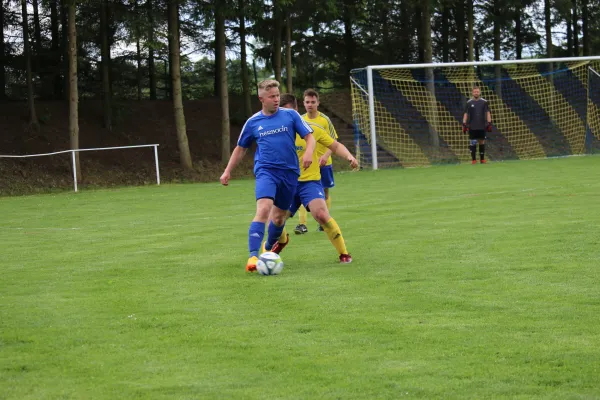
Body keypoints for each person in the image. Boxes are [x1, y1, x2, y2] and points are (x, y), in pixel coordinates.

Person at [220, 80, 316, 272]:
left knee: (279, 218)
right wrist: (228, 170)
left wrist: (308, 153)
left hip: (289, 173)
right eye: (272, 96)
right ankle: (253, 257)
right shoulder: (253, 122)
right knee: (264, 209)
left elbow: (309, 137)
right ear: (261, 98)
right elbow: (241, 148)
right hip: (266, 171)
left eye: (277, 95)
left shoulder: (291, 115)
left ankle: (268, 249)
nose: (276, 99)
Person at [265, 93, 357, 264]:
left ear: (296, 111)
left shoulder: (312, 129)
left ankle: (343, 253)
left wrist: (349, 157)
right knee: (276, 219)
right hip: (287, 184)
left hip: (310, 182)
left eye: (289, 113)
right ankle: (281, 242)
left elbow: (335, 145)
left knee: (321, 214)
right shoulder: (274, 133)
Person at [294, 88, 339, 234]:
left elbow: (334, 140)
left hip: (324, 162)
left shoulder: (325, 120)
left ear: (318, 103)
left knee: (324, 192)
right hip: (307, 163)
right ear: (303, 103)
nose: (310, 105)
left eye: (313, 102)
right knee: (302, 192)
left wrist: (325, 156)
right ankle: (302, 224)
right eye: (307, 102)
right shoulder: (299, 120)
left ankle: (323, 221)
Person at [463, 86, 493, 164]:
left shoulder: (484, 102)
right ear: (472, 93)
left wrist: (489, 123)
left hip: (482, 125)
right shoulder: (469, 102)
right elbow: (466, 113)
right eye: (475, 92)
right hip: (472, 126)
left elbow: (488, 112)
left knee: (481, 141)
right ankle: (473, 160)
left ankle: (482, 159)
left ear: (479, 92)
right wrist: (464, 123)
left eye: (477, 91)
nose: (476, 93)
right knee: (472, 142)